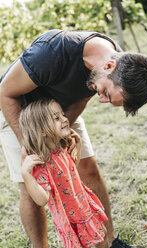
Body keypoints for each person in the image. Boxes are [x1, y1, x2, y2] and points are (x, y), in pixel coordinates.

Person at [0, 29, 147, 248]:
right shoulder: (51, 52)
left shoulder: (117, 64)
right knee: (31, 188)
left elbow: (83, 97)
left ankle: (110, 242)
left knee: (88, 167)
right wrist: (28, 144)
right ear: (109, 67)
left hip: (60, 113)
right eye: (105, 94)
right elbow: (5, 92)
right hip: (18, 111)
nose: (101, 100)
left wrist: (61, 135)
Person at [19, 99, 109, 248]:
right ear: (42, 130)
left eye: (62, 114)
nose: (65, 119)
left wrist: (78, 146)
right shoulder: (42, 163)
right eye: (56, 118)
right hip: (71, 217)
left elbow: (71, 171)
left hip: (83, 205)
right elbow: (42, 199)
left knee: (102, 236)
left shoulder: (61, 148)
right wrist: (26, 175)